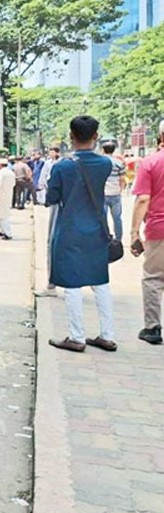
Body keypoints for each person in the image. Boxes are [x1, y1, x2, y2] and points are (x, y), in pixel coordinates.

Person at [46, 116, 116, 353]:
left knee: (72, 284)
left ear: (71, 136)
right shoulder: (105, 164)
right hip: (97, 230)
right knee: (101, 282)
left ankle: (77, 337)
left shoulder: (62, 167)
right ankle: (107, 336)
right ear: (96, 136)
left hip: (70, 230)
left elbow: (51, 198)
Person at [129, 119, 164, 345]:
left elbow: (143, 199)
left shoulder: (151, 162)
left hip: (159, 228)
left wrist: (134, 233)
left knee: (153, 278)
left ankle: (152, 328)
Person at [35, 147, 63, 297]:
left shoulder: (61, 166)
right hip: (88, 216)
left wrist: (47, 199)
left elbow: (52, 190)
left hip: (61, 209)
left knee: (53, 244)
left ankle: (51, 285)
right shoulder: (103, 165)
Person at [101, 139, 126, 242]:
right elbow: (122, 179)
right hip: (115, 192)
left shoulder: (100, 162)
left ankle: (106, 237)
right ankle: (118, 239)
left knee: (103, 218)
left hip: (103, 193)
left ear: (103, 149)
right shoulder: (119, 162)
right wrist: (121, 190)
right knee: (117, 218)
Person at [0, 157, 16, 240]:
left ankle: (7, 233)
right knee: (3, 214)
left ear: (0, 165)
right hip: (8, 194)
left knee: (0, 215)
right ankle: (3, 231)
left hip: (1, 195)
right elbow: (13, 184)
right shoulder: (11, 173)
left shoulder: (0, 173)